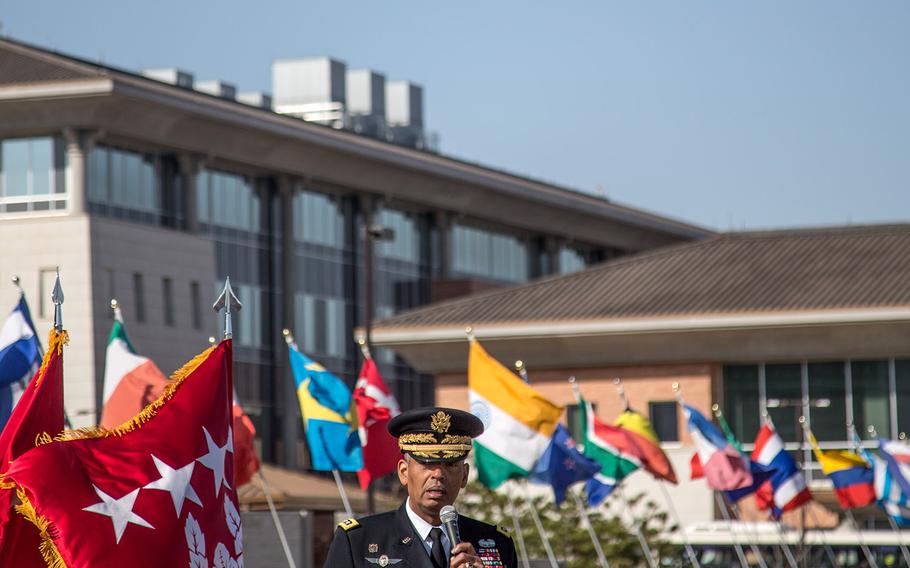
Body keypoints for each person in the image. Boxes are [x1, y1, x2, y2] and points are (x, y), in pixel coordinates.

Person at [325, 407, 518, 567]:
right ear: (403, 472)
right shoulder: (358, 541)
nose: (438, 475)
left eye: (450, 465)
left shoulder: (496, 543)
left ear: (464, 476)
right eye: (426, 464)